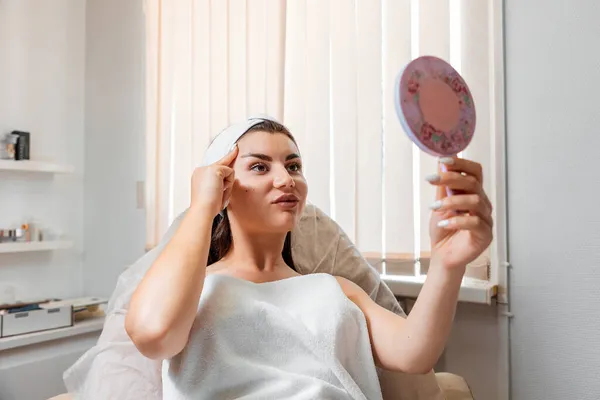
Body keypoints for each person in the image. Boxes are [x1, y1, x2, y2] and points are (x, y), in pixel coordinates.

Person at [124, 117, 493, 399]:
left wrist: (447, 262)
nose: (286, 179)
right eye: (259, 166)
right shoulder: (193, 291)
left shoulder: (336, 289)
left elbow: (414, 353)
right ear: (223, 187)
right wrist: (202, 208)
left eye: (294, 166)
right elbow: (154, 334)